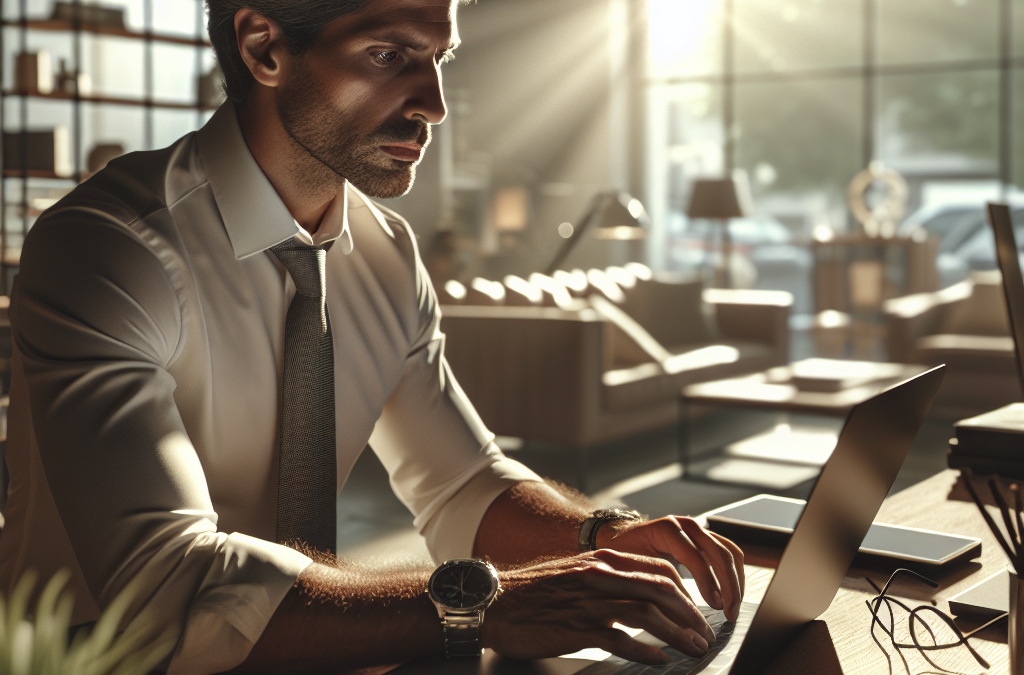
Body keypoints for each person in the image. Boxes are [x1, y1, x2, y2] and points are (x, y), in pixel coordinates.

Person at [0, 0, 745, 673]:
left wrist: (601, 538)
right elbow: (169, 588)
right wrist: (485, 605)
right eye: (389, 56)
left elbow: (462, 484)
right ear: (264, 49)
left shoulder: (386, 253)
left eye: (438, 59)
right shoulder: (106, 249)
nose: (436, 105)